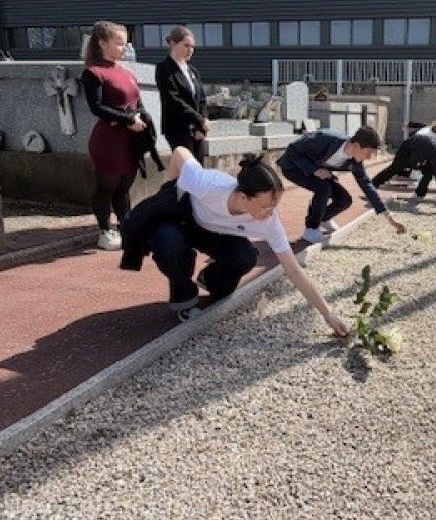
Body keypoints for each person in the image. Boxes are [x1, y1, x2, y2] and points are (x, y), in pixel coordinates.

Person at [122, 146, 349, 335]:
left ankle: (209, 278)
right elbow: (180, 152)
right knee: (168, 243)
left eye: (274, 205)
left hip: (216, 232)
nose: (270, 212)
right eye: (264, 206)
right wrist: (168, 190)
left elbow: (292, 268)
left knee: (245, 257)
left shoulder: (269, 220)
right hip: (184, 221)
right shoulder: (207, 183)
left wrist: (327, 314)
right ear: (242, 197)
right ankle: (185, 299)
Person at [81, 20, 153, 251]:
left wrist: (141, 117)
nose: (125, 47)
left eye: (126, 43)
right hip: (108, 141)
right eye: (119, 43)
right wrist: (128, 119)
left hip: (129, 141)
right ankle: (105, 230)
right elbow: (97, 107)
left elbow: (137, 102)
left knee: (124, 188)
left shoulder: (124, 71)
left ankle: (127, 227)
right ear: (102, 43)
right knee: (107, 187)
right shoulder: (93, 72)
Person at [277, 126, 406, 244]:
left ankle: (324, 218)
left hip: (318, 171)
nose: (369, 157)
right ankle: (311, 229)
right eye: (368, 152)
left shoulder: (355, 162)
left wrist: (390, 218)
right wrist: (315, 170)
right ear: (356, 145)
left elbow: (367, 186)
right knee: (324, 188)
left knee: (344, 199)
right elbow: (292, 149)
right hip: (293, 168)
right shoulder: (325, 138)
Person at [372, 125, 436, 209]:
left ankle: (420, 193)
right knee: (394, 169)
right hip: (408, 149)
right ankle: (372, 184)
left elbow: (435, 170)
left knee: (429, 171)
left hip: (417, 152)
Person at [155, 25, 210, 163]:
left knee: (199, 171)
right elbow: (172, 99)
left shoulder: (193, 71)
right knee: (187, 170)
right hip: (177, 129)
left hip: (197, 129)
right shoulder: (164, 68)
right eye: (186, 45)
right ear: (173, 43)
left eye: (192, 46)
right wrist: (199, 119)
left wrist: (201, 126)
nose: (190, 50)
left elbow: (202, 99)